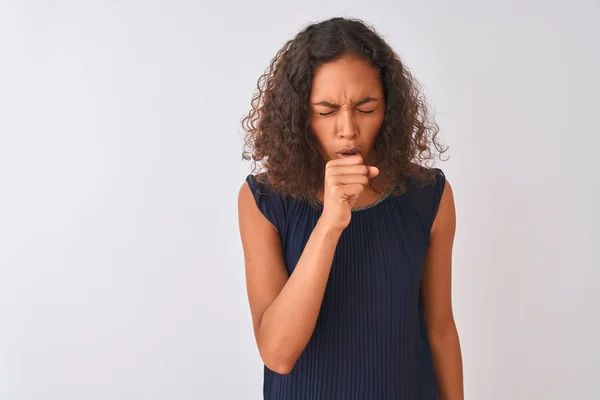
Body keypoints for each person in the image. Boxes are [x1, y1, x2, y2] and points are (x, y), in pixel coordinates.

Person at [237, 16, 464, 399]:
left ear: (389, 109)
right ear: (300, 115)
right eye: (326, 111)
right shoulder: (264, 201)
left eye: (366, 107)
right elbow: (277, 354)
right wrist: (329, 224)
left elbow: (440, 329)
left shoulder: (428, 197)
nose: (348, 128)